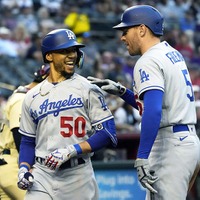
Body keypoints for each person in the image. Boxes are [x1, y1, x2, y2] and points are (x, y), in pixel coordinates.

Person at [87, 5, 200, 200]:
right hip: (187, 141)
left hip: (169, 146)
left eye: (125, 30)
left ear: (141, 29)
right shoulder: (172, 53)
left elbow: (154, 111)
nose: (122, 37)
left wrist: (142, 156)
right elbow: (157, 104)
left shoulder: (148, 60)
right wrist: (123, 92)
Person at [17, 28, 117, 200]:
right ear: (49, 56)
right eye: (65, 51)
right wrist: (24, 168)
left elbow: (108, 134)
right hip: (42, 174)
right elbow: (28, 141)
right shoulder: (32, 96)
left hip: (77, 174)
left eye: (74, 51)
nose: (72, 55)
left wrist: (72, 149)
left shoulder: (88, 89)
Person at [0, 64, 50, 200]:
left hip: (9, 163)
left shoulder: (26, 96)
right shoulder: (22, 99)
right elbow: (20, 136)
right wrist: (29, 166)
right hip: (14, 164)